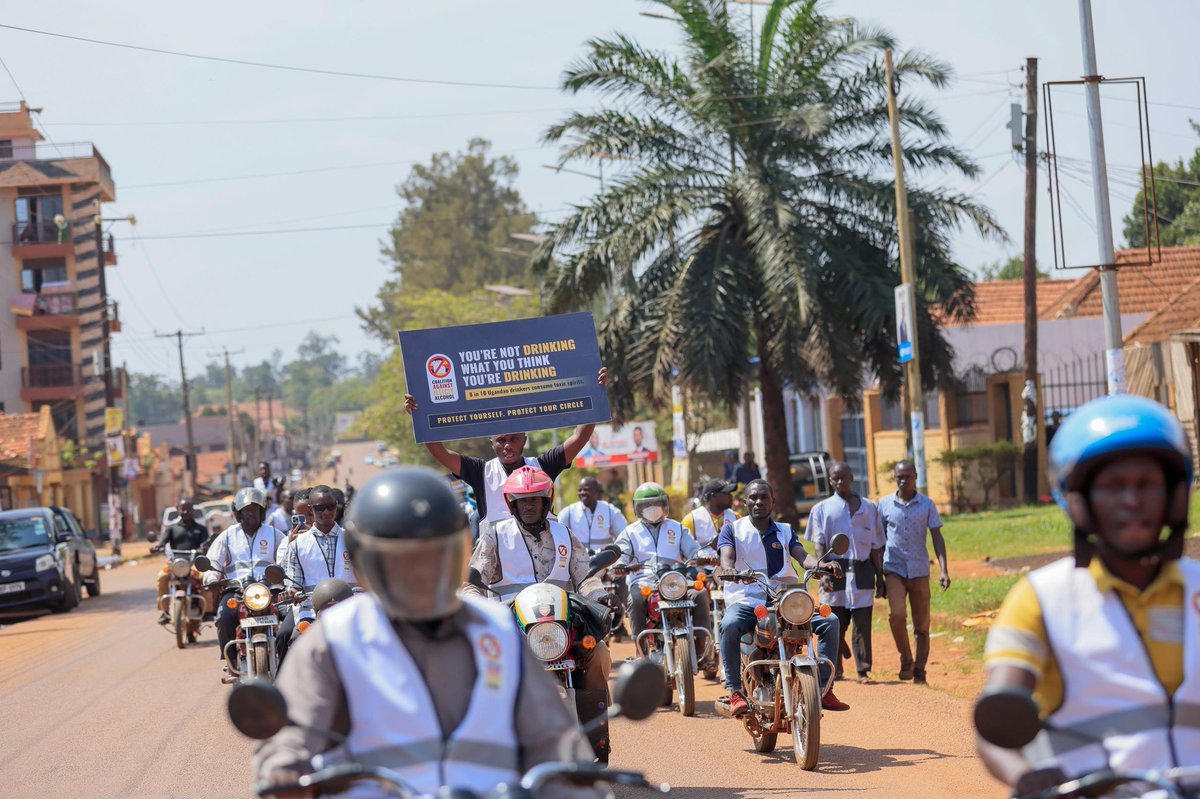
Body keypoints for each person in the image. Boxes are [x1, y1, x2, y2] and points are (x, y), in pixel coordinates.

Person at [253, 467, 600, 799]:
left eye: (435, 554)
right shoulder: (334, 639)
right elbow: (291, 732)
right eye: (400, 558)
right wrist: (285, 766)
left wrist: (577, 785)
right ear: (367, 562)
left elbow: (552, 741)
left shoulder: (496, 629)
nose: (420, 571)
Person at [977, 395, 1200, 795]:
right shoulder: (1042, 599)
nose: (1132, 500)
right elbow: (997, 720)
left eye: (1148, 484)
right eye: (1113, 486)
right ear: (1079, 500)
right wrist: (1024, 775)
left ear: (1174, 495)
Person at [461, 466, 614, 712]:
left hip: (563, 624)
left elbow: (585, 578)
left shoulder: (565, 535)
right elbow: (471, 582)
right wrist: (475, 606)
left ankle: (595, 715)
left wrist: (601, 596)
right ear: (512, 504)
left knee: (599, 651)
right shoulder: (495, 536)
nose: (528, 506)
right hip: (511, 626)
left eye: (534, 499)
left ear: (546, 502)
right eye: (522, 501)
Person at [402, 367, 607, 525]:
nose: (507, 445)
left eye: (513, 439)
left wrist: (596, 393)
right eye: (501, 440)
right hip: (498, 562)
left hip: (542, 559)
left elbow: (579, 437)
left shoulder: (543, 466)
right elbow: (441, 453)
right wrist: (419, 416)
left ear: (524, 440)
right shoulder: (481, 472)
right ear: (492, 444)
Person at [714, 479, 848, 715]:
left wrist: (822, 565)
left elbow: (802, 556)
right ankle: (735, 691)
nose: (759, 502)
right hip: (748, 599)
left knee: (830, 621)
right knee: (729, 624)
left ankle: (823, 688)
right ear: (744, 502)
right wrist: (728, 569)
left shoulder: (785, 530)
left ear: (773, 502)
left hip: (786, 599)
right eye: (753, 497)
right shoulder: (732, 529)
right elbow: (727, 556)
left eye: (764, 497)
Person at [612, 482, 712, 663]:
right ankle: (640, 650)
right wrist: (620, 564)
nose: (652, 509)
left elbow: (692, 549)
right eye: (647, 505)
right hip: (644, 581)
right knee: (635, 599)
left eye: (656, 504)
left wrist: (701, 556)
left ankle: (701, 651)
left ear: (664, 505)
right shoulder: (630, 532)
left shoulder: (677, 528)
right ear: (638, 508)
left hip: (675, 581)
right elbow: (622, 553)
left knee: (700, 593)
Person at [806, 461, 885, 683]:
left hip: (862, 570)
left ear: (852, 477)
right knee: (834, 622)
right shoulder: (821, 509)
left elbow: (876, 545)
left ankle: (863, 670)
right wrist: (823, 571)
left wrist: (880, 577)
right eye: (835, 478)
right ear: (830, 481)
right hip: (835, 570)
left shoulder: (869, 508)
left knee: (862, 624)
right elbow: (820, 544)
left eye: (844, 477)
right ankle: (835, 668)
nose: (840, 481)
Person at [877, 460, 949, 684]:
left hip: (919, 570)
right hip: (894, 569)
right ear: (894, 478)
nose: (903, 480)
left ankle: (919, 669)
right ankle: (906, 658)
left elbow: (937, 537)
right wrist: (878, 575)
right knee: (897, 615)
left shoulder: (927, 504)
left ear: (915, 476)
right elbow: (878, 541)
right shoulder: (884, 505)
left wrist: (944, 570)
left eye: (907, 476)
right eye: (899, 477)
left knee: (922, 625)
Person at [201, 487, 286, 670]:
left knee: (289, 618)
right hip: (237, 590)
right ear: (238, 513)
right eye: (246, 510)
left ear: (262, 512)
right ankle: (231, 661)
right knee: (224, 617)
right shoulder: (227, 536)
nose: (251, 514)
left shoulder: (274, 534)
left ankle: (288, 661)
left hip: (270, 589)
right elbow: (214, 560)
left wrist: (284, 578)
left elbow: (285, 558)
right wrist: (211, 578)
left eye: (254, 509)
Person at [278, 485, 350, 663]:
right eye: (319, 508)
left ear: (336, 507)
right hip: (311, 613)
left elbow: (367, 576)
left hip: (349, 611)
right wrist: (293, 592)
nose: (326, 512)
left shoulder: (352, 540)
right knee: (294, 640)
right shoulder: (297, 545)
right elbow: (293, 583)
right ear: (311, 510)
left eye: (330, 506)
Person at [151, 499, 210, 627]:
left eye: (188, 509)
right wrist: (158, 546)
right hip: (175, 564)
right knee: (162, 577)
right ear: (178, 511)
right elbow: (162, 541)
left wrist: (204, 549)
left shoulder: (201, 529)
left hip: (194, 563)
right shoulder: (171, 528)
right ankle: (165, 611)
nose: (185, 512)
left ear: (193, 511)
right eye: (182, 509)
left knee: (205, 578)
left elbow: (206, 544)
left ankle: (207, 611)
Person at [560, 476, 628, 552]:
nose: (582, 493)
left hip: (605, 558)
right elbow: (558, 536)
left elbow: (624, 538)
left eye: (586, 489)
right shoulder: (569, 512)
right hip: (578, 558)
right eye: (580, 490)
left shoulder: (611, 511)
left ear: (596, 492)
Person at [682, 478, 738, 553]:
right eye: (726, 493)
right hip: (702, 560)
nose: (731, 496)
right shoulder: (691, 519)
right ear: (713, 496)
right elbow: (683, 549)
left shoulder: (736, 517)